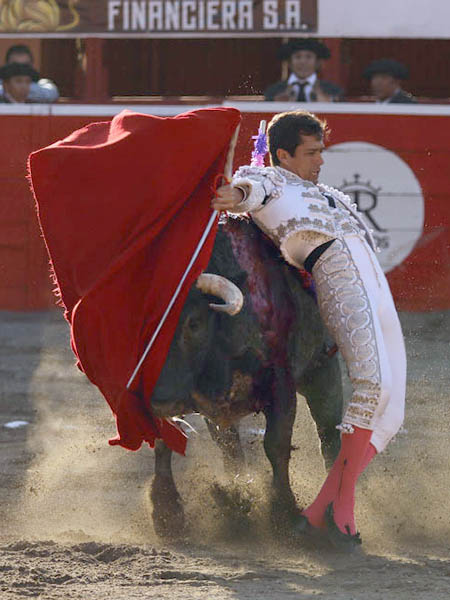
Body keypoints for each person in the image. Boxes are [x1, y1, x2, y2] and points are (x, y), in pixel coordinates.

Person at [213, 110, 406, 551]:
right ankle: (341, 516)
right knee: (372, 388)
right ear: (282, 154)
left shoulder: (328, 192)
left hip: (372, 276)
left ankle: (317, 513)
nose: (321, 160)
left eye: (322, 150)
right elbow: (250, 189)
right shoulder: (270, 180)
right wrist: (236, 192)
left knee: (391, 410)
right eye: (311, 152)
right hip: (336, 270)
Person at [264, 39, 343, 102]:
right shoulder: (274, 91)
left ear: (317, 63)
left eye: (309, 57)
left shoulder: (333, 91)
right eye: (298, 57)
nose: (303, 62)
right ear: (289, 62)